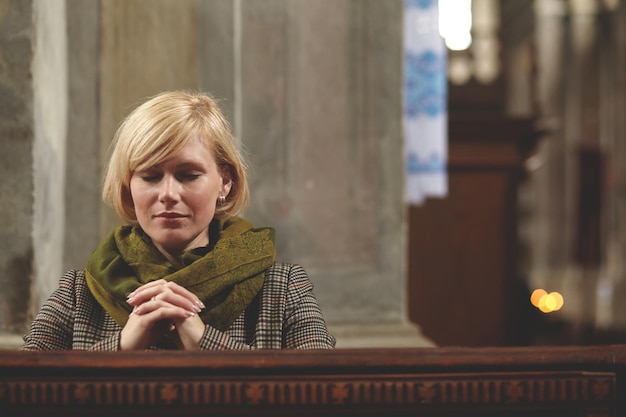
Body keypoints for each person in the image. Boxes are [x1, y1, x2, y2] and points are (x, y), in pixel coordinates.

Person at [21, 90, 335, 351]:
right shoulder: (78, 294)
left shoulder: (282, 290)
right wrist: (121, 348)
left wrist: (205, 342)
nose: (168, 193)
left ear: (224, 182)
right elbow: (18, 394)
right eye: (150, 176)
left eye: (188, 175)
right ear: (129, 187)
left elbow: (327, 395)